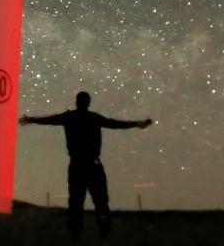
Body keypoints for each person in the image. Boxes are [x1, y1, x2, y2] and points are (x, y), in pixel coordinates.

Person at [19, 91, 152, 241]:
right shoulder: (93, 118)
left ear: (77, 102)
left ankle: (76, 235)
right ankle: (103, 235)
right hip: (93, 165)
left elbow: (50, 120)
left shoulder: (69, 117)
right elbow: (115, 124)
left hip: (77, 165)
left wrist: (31, 120)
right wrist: (136, 124)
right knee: (100, 201)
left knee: (76, 202)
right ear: (88, 102)